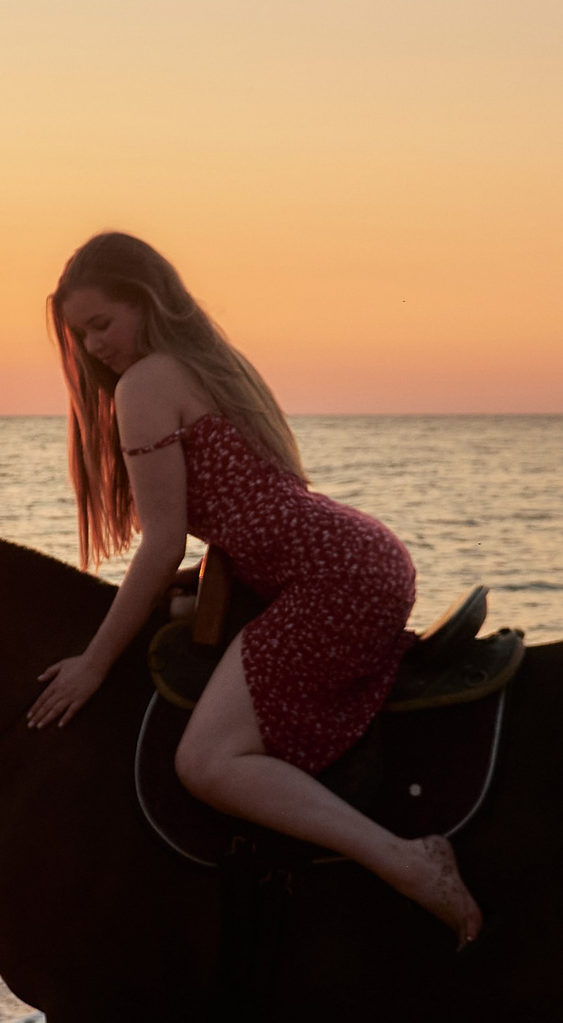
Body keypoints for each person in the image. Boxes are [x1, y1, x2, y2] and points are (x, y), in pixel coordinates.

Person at [26, 232, 482, 945]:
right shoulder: (209, 365)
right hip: (359, 556)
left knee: (206, 762)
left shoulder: (147, 384)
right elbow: (237, 523)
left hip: (331, 579)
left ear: (145, 304)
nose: (91, 347)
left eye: (102, 324)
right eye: (79, 335)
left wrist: (94, 662)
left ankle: (410, 863)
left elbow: (163, 541)